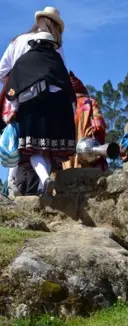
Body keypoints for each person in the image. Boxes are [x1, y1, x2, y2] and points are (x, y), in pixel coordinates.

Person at [1, 8, 75, 198]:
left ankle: (15, 191)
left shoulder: (18, 43)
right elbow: (65, 81)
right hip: (58, 106)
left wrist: (16, 90)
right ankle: (42, 187)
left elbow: (2, 72)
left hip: (26, 103)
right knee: (48, 150)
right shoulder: (57, 51)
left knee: (24, 149)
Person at [63, 71, 108, 171]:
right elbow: (99, 125)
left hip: (67, 155)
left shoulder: (62, 107)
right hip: (88, 151)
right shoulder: (90, 102)